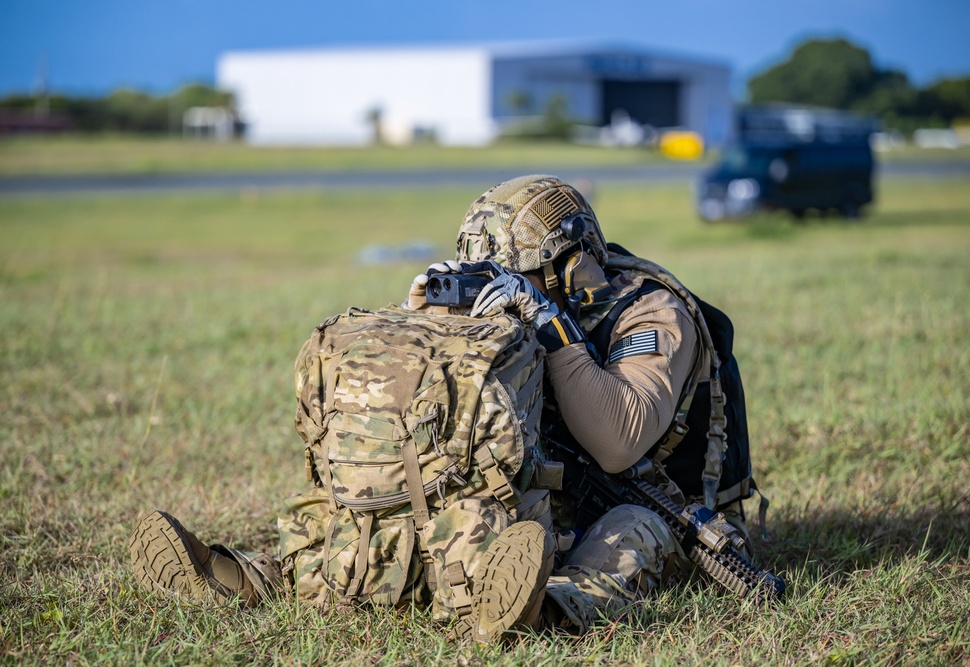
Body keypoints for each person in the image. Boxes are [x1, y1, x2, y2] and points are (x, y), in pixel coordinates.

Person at [130, 174, 753, 639]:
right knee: (406, 506)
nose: (501, 289)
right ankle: (241, 575)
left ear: (571, 265)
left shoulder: (648, 309)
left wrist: (550, 325)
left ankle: (545, 608)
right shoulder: (514, 302)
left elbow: (618, 440)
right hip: (543, 491)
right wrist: (427, 328)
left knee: (627, 537)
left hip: (650, 503)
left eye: (518, 275)